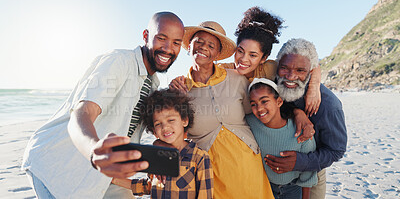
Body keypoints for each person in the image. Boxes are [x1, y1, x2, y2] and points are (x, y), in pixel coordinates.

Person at [21, 12, 185, 198]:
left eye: (176, 43)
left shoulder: (152, 82)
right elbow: (82, 113)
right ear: (146, 36)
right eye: (161, 38)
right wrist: (94, 151)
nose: (168, 48)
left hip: (104, 173)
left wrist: (158, 159)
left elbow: (134, 131)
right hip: (56, 166)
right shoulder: (119, 62)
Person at [170, 7, 317, 143]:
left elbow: (309, 65)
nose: (243, 59)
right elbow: (201, 75)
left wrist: (314, 87)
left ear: (263, 58)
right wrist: (178, 82)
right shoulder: (225, 72)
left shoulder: (272, 68)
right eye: (240, 51)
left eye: (253, 55)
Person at [170, 20, 274, 198]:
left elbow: (259, 115)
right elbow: (171, 134)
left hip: (249, 167)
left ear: (218, 54)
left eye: (211, 45)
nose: (204, 47)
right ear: (189, 46)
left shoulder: (238, 80)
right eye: (199, 41)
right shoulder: (179, 91)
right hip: (210, 173)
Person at [264, 38, 347, 199]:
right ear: (278, 65)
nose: (290, 76)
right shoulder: (271, 87)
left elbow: (336, 150)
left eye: (300, 71)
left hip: (311, 174)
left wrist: (300, 162)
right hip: (271, 176)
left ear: (310, 72)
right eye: (284, 68)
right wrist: (296, 111)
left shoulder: (329, 106)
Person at [112, 89, 213, 199]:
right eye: (158, 124)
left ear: (184, 120)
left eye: (171, 120)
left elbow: (205, 196)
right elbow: (148, 186)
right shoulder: (155, 156)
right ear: (154, 132)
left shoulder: (200, 158)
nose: (165, 127)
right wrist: (113, 179)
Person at [246, 78, 317, 199]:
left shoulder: (301, 130)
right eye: (253, 104)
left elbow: (308, 172)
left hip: (293, 188)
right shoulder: (250, 122)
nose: (259, 108)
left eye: (264, 101)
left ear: (279, 102)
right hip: (265, 187)